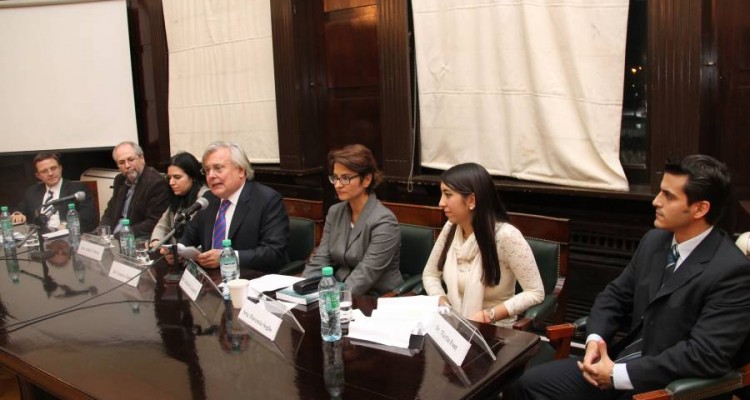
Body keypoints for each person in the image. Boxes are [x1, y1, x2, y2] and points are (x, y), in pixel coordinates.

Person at [512, 155, 750, 399]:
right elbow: (614, 296)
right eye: (660, 192)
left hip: (667, 386)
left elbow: (704, 354)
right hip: (618, 363)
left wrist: (619, 374)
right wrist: (596, 340)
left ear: (700, 208)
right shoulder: (655, 241)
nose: (656, 202)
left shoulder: (731, 270)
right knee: (528, 385)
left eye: (669, 196)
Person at [422, 163, 544, 326]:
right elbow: (430, 275)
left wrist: (490, 315)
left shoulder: (506, 236)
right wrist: (442, 301)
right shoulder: (450, 227)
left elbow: (535, 292)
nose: (441, 203)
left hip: (495, 329)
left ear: (471, 200)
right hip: (452, 324)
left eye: (448, 194)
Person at [302, 144, 403, 295]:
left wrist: (332, 298)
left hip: (378, 297)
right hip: (340, 290)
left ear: (367, 180)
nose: (337, 185)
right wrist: (300, 289)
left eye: (346, 178)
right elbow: (322, 259)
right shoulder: (335, 212)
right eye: (335, 178)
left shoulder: (384, 221)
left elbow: (366, 273)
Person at [175, 141, 289, 273]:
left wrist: (228, 257)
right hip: (210, 280)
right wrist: (178, 251)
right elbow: (189, 235)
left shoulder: (267, 200)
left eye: (218, 168)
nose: (211, 176)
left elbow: (273, 252)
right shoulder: (209, 198)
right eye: (207, 170)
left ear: (240, 170)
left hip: (249, 279)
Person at [12, 152, 98, 232]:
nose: (50, 173)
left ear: (60, 168)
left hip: (66, 236)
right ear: (38, 176)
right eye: (44, 171)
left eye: (53, 168)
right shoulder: (33, 191)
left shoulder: (77, 189)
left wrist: (67, 226)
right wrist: (17, 214)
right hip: (40, 238)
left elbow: (88, 215)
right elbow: (20, 209)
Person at [100, 141, 170, 237]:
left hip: (135, 238)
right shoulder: (119, 180)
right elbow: (110, 212)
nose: (127, 166)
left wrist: (120, 235)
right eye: (121, 162)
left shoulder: (156, 182)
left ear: (142, 158)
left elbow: (153, 222)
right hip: (113, 236)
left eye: (131, 160)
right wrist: (102, 233)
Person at [150, 152, 209, 246]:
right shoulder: (178, 195)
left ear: (193, 177)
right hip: (174, 254)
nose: (171, 182)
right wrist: (156, 241)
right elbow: (163, 226)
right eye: (169, 178)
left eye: (177, 177)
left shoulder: (204, 198)